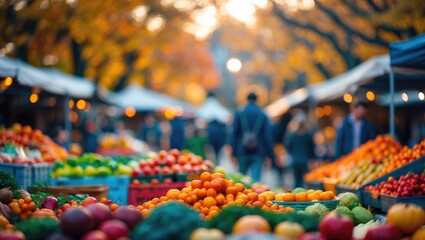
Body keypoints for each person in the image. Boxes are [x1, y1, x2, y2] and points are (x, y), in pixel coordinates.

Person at [229, 92, 276, 182]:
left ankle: (242, 196)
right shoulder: (262, 115)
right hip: (259, 151)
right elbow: (267, 137)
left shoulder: (239, 114)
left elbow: (234, 134)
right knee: (255, 180)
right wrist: (270, 155)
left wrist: (233, 153)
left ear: (247, 100)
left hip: (241, 150)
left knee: (241, 179)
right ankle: (254, 195)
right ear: (257, 100)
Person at [286, 119, 316, 188]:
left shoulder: (293, 135)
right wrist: (313, 159)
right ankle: (303, 195)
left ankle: (296, 195)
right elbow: (312, 148)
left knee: (296, 180)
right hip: (305, 161)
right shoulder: (308, 135)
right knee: (304, 180)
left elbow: (288, 147)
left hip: (295, 160)